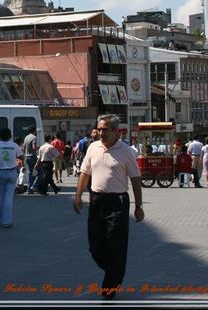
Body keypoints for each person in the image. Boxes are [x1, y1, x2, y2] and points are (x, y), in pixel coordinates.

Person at [74, 114, 143, 301]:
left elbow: (136, 179)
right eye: (99, 129)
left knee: (116, 245)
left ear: (115, 131)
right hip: (96, 201)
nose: (100, 132)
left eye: (104, 129)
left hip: (118, 203)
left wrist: (139, 206)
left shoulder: (126, 151)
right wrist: (78, 195)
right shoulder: (93, 148)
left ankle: (111, 284)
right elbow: (84, 172)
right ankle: (114, 270)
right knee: (95, 247)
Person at [0, 127, 22, 227]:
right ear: (10, 136)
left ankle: (0, 220)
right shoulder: (14, 145)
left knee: (0, 197)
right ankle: (7, 221)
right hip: (12, 172)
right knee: (9, 197)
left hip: (0, 172)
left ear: (0, 136)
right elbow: (21, 156)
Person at [21, 126, 39, 193]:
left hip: (26, 157)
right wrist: (38, 148)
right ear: (34, 131)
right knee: (41, 172)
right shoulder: (34, 137)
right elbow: (34, 147)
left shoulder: (26, 137)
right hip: (33, 157)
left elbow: (23, 148)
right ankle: (34, 186)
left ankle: (29, 189)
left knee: (29, 173)